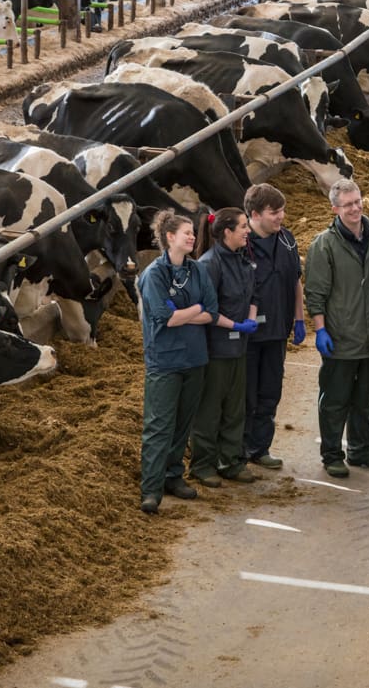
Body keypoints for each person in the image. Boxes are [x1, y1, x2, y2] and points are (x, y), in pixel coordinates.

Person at [305, 178, 369, 478]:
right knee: (335, 399)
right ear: (335, 208)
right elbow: (315, 292)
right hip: (341, 335)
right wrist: (320, 330)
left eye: (358, 201)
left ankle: (362, 450)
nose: (355, 208)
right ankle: (332, 454)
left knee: (364, 397)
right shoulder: (324, 245)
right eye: (348, 205)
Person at [138, 211, 217, 514]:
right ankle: (151, 488)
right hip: (165, 361)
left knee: (183, 424)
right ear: (169, 237)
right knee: (159, 425)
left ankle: (173, 477)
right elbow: (163, 318)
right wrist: (190, 312)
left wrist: (187, 311)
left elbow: (211, 310)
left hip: (195, 359)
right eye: (186, 233)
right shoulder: (154, 274)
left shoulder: (197, 271)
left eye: (193, 233)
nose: (192, 237)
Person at [190, 207, 260, 488]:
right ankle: (203, 464)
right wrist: (235, 326)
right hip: (215, 349)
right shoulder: (210, 264)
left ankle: (230, 461)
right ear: (226, 232)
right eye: (243, 226)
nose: (248, 230)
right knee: (209, 409)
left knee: (235, 407)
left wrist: (251, 319)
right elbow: (207, 309)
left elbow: (254, 293)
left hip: (239, 347)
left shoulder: (243, 259)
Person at [243, 184, 305, 470]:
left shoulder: (287, 240)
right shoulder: (240, 244)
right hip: (246, 336)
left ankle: (260, 448)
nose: (281, 217)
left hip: (278, 331)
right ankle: (238, 450)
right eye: (274, 212)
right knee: (245, 395)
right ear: (255, 214)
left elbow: (296, 281)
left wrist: (300, 319)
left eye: (282, 210)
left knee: (270, 392)